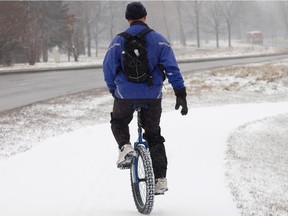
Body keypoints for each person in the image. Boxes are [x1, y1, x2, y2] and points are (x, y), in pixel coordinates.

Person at [103, 1, 188, 195]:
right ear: (145, 17)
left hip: (125, 95)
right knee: (154, 136)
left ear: (128, 19)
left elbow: (108, 68)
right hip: (152, 95)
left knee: (118, 120)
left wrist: (112, 89)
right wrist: (180, 93)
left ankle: (125, 147)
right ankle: (160, 179)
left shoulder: (117, 41)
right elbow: (172, 69)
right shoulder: (159, 40)